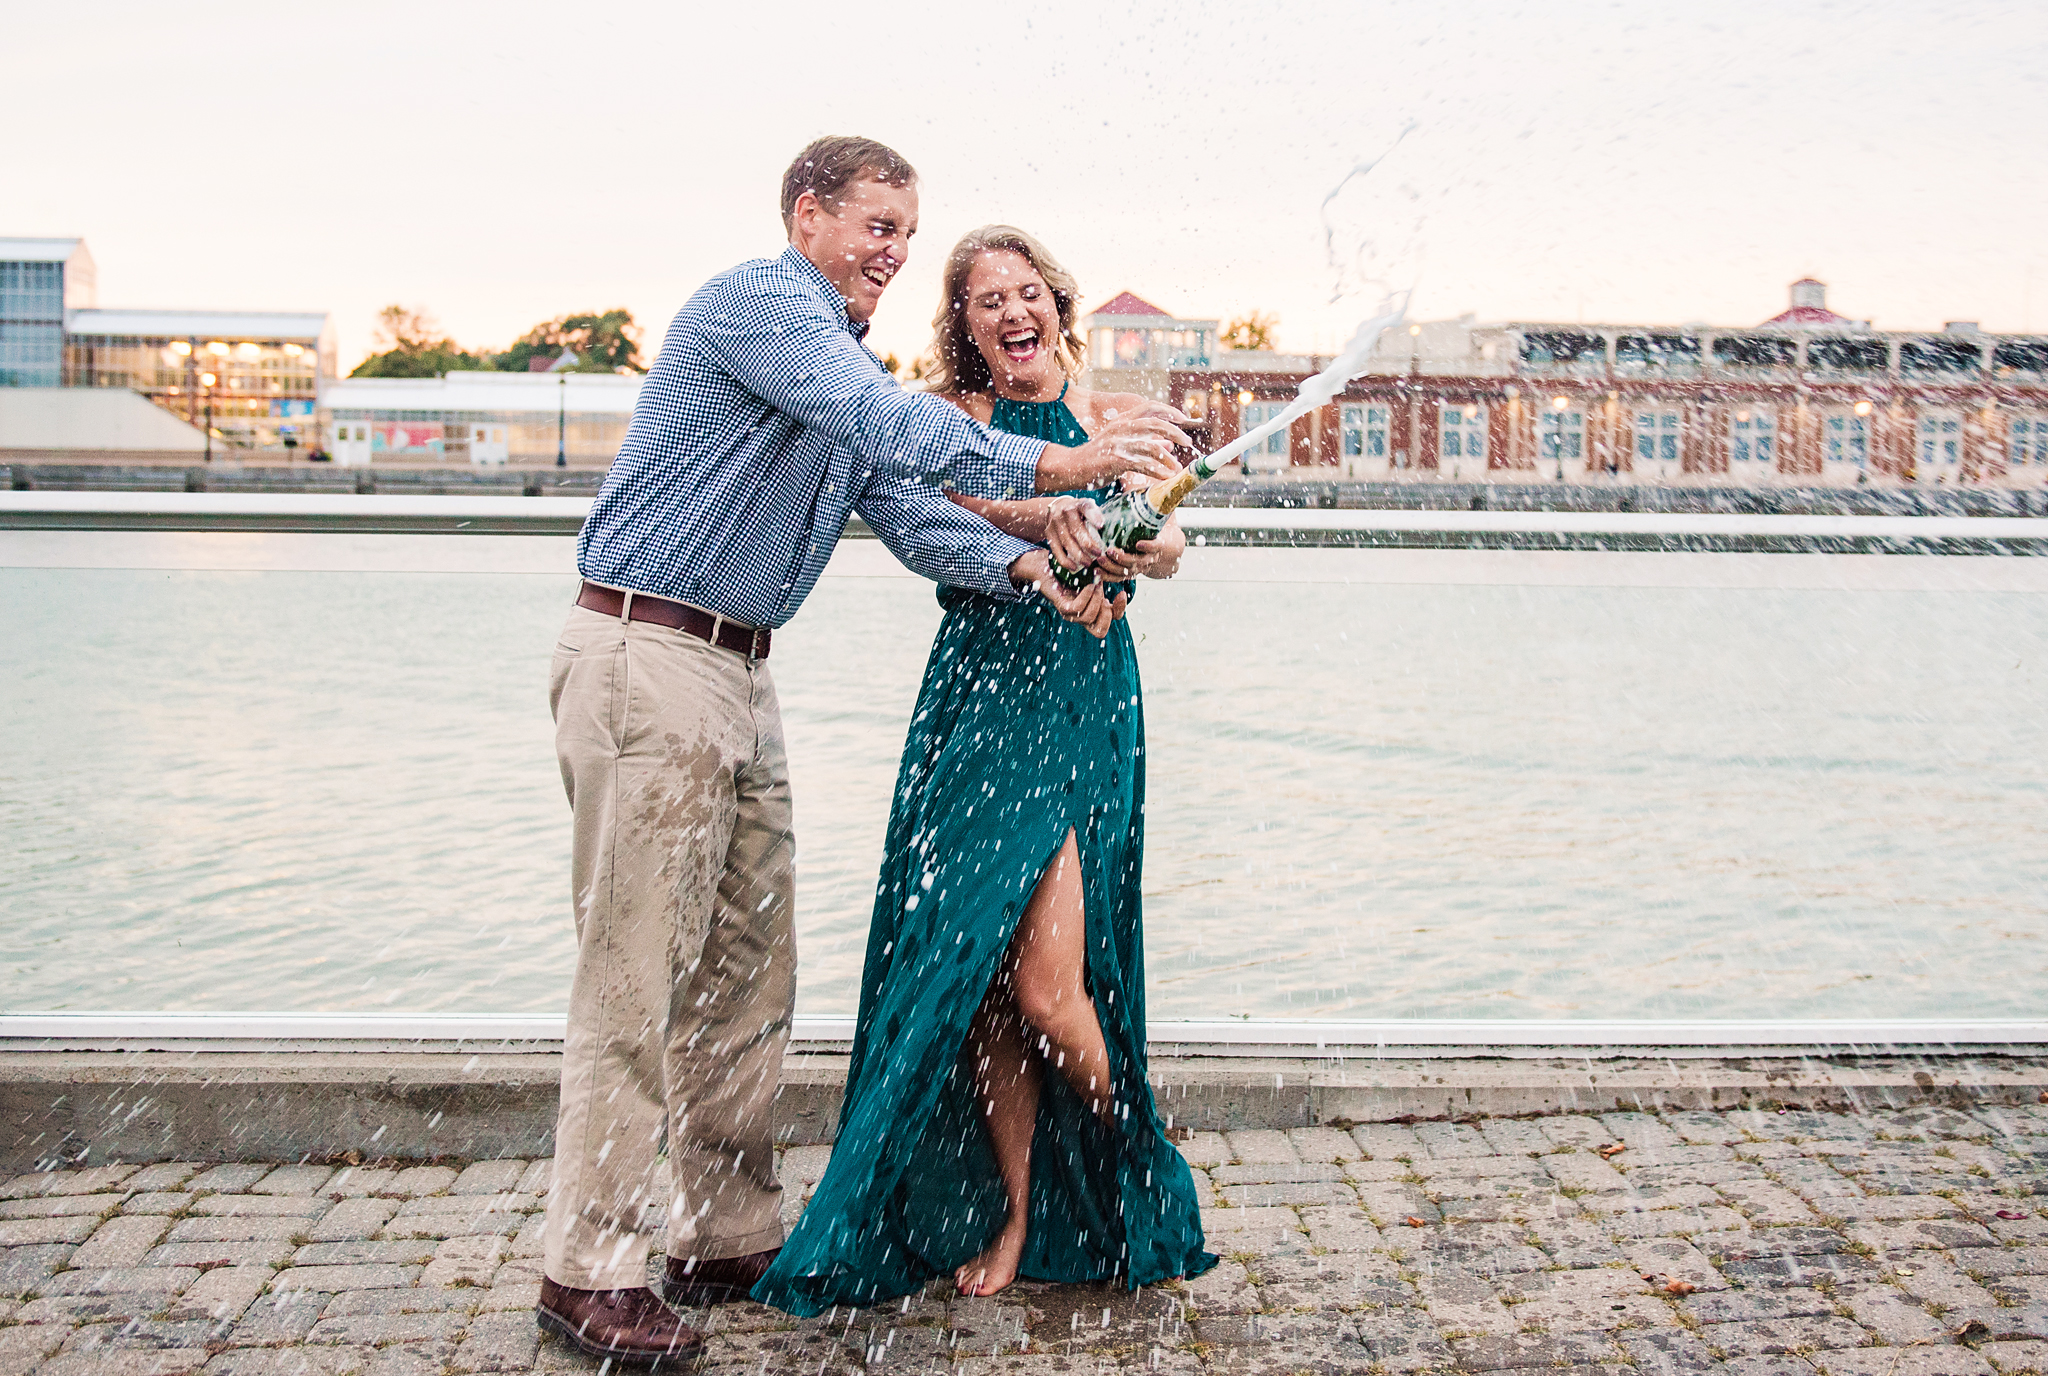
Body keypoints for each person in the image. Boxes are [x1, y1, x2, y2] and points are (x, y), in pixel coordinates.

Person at [538, 141, 1190, 1366]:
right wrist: (1066, 463)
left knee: (745, 971)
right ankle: (591, 1267)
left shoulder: (837, 365)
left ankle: (719, 1228)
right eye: (876, 225)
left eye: (905, 230)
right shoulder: (767, 306)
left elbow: (908, 510)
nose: (892, 250)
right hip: (647, 652)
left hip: (737, 667)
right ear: (807, 215)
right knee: (634, 973)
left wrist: (1034, 561)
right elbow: (893, 427)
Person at [753, 225, 1215, 1317]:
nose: (1010, 314)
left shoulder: (1116, 416)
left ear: (1056, 304)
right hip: (973, 696)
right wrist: (1047, 515)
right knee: (984, 983)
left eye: (1025, 294)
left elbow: (1172, 544)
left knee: (1054, 989)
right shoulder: (947, 420)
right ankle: (1014, 1212)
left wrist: (1138, 544)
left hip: (1077, 694)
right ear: (960, 325)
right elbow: (938, 512)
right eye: (982, 301)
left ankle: (1135, 1161)